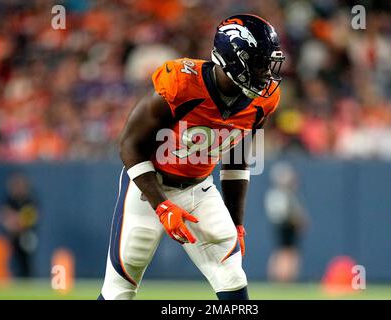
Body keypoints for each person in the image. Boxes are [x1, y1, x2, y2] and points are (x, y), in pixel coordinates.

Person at [99, 14, 285, 300]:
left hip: (199, 188)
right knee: (121, 288)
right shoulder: (182, 84)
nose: (266, 73)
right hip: (149, 186)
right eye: (260, 63)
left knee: (232, 276)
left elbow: (237, 158)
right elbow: (129, 145)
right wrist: (161, 206)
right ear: (235, 59)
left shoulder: (263, 102)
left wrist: (237, 222)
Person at [264, 162, 308, 282]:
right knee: (288, 253)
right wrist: (299, 222)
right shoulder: (286, 194)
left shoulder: (274, 193)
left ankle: (278, 276)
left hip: (279, 225)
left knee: (280, 251)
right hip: (287, 226)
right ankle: (285, 277)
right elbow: (292, 214)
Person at [0, 172, 39, 278]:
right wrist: (13, 222)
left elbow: (30, 218)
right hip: (12, 235)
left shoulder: (29, 200)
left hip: (26, 235)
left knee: (26, 259)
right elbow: (3, 215)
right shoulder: (9, 200)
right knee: (10, 259)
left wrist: (17, 221)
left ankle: (28, 279)